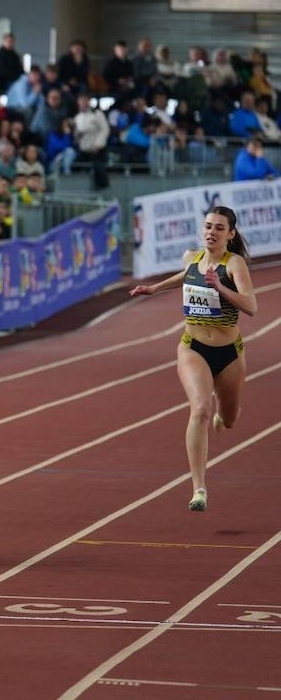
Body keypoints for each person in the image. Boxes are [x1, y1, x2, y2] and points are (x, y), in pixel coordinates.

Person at [129, 206, 257, 511]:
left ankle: (223, 414)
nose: (211, 232)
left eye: (219, 228)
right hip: (193, 347)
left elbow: (251, 306)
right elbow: (185, 275)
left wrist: (220, 287)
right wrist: (155, 288)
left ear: (231, 234)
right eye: (208, 226)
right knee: (199, 408)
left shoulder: (234, 264)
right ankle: (199, 488)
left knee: (228, 419)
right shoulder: (192, 258)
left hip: (229, 354)